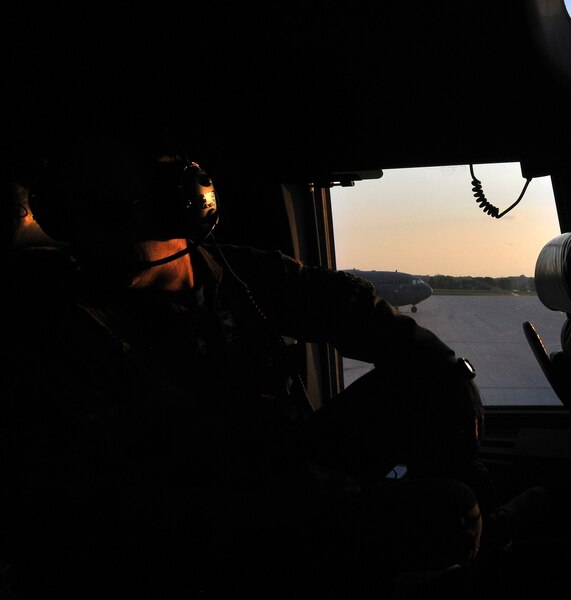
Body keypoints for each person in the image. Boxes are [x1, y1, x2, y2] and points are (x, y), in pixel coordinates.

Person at [0, 122, 541, 598]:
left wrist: (447, 371)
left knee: (432, 392)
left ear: (181, 205)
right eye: (74, 214)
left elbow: (349, 307)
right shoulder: (53, 315)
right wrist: (288, 505)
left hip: (281, 472)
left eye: (107, 210)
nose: (89, 240)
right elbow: (80, 504)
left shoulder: (238, 274)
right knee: (445, 512)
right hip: (201, 531)